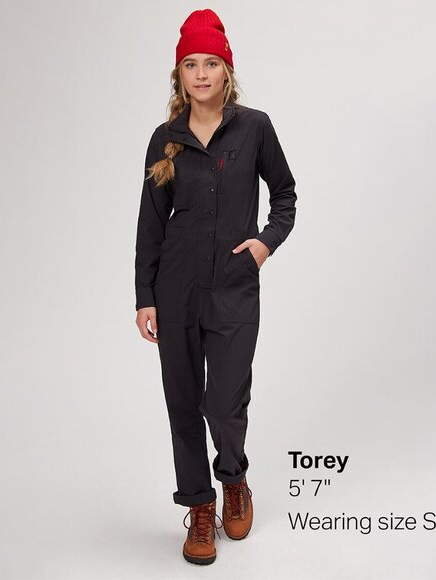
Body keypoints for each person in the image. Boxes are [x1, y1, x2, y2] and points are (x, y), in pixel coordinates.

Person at [134, 8, 297, 566]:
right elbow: (150, 224)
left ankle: (233, 478)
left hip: (233, 288)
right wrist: (145, 296)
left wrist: (265, 242)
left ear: (227, 70)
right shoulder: (165, 139)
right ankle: (200, 507)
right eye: (190, 64)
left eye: (210, 63)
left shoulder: (254, 128)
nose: (201, 74)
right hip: (175, 288)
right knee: (182, 402)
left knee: (224, 404)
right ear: (178, 75)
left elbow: (285, 194)